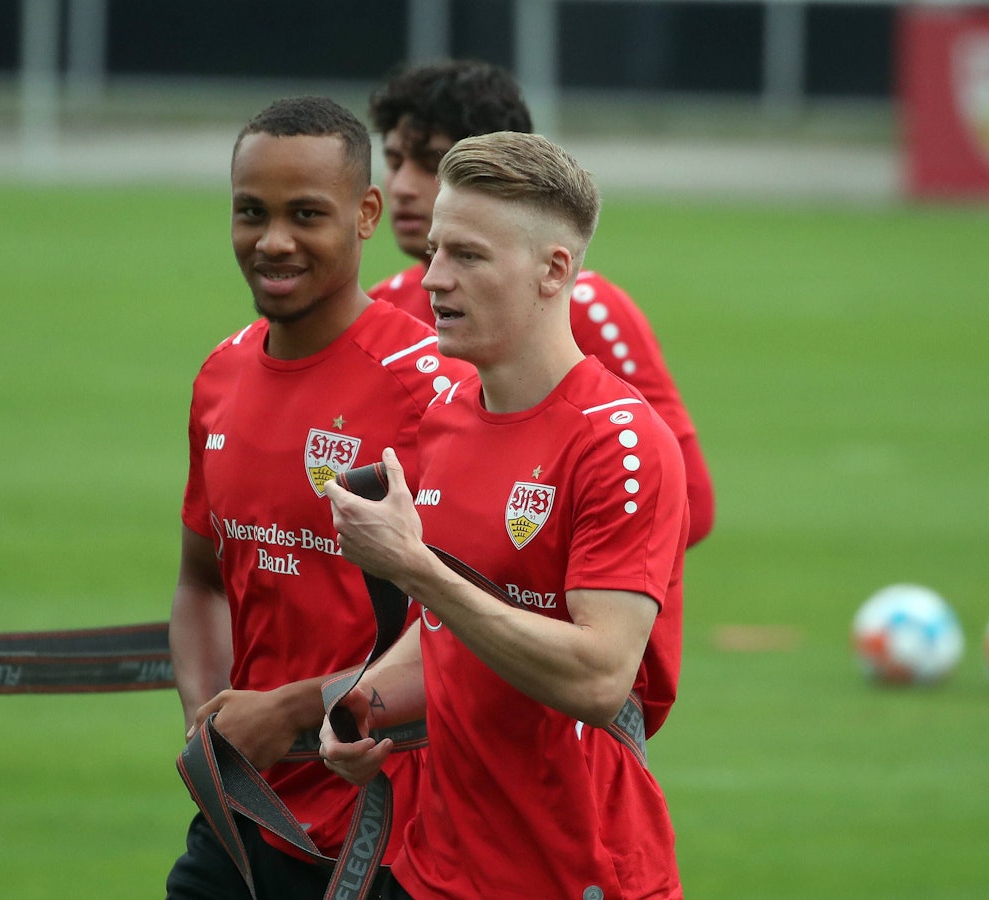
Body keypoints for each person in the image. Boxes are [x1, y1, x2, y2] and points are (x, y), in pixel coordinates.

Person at [321, 131, 688, 899]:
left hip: (574, 869)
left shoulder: (622, 444)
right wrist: (362, 707)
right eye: (436, 252)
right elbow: (451, 633)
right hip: (431, 866)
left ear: (555, 270)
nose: (434, 280)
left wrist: (414, 567)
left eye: (470, 258)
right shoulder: (449, 413)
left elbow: (596, 676)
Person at [164, 96, 474, 899]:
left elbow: (472, 625)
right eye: (250, 213)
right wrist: (216, 729)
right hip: (243, 820)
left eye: (306, 214)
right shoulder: (219, 377)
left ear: (366, 213)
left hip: (389, 835)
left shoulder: (435, 389)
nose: (273, 241)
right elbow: (201, 581)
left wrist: (293, 710)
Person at [367, 59, 714, 547]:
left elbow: (689, 505)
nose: (401, 185)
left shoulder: (583, 307)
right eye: (395, 158)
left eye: (430, 161)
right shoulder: (382, 306)